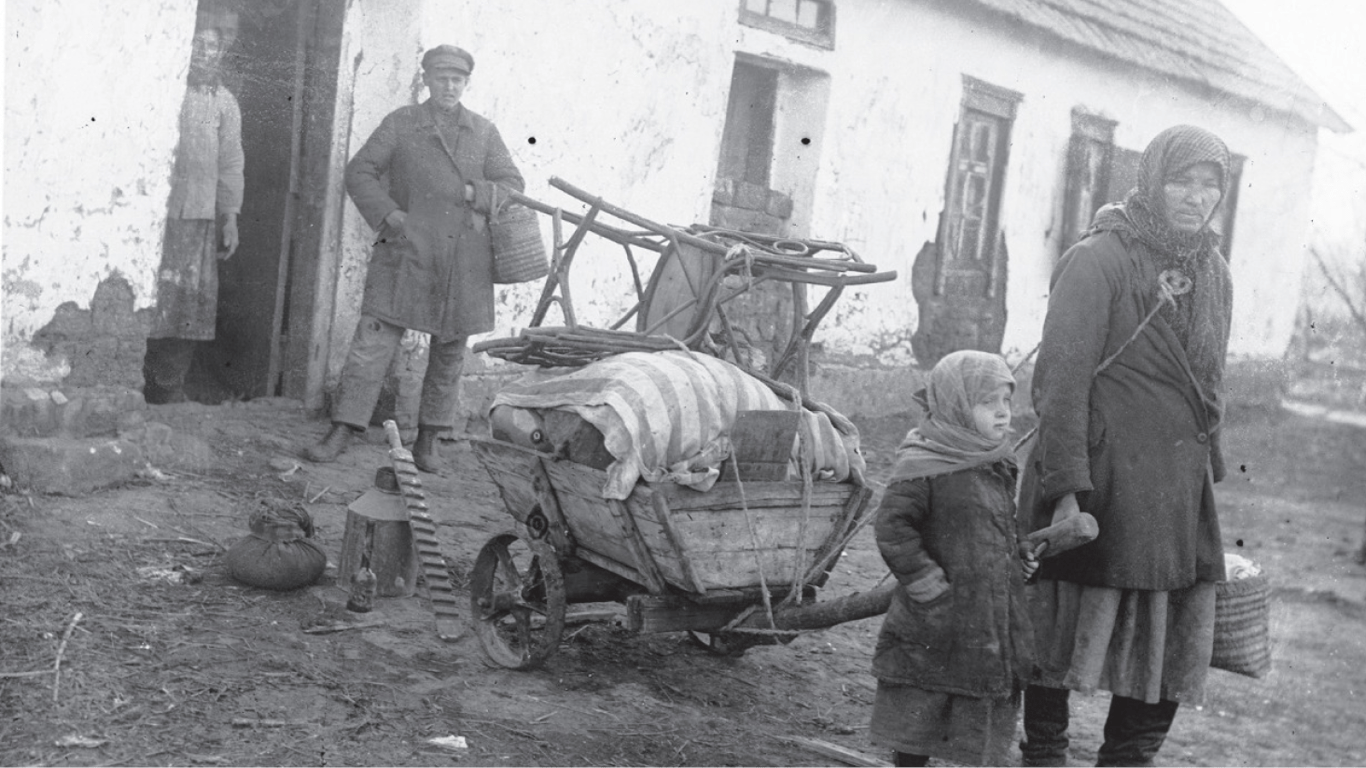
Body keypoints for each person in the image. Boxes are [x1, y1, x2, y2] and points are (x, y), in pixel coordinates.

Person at [1017, 125, 1234, 768]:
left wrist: (1208, 460)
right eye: (1181, 180)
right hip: (1100, 475)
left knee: (1168, 637)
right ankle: (1045, 753)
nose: (1196, 197)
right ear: (1152, 179)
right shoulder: (1099, 257)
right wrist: (1065, 489)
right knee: (1061, 621)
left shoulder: (1214, 271)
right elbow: (1060, 383)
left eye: (1209, 185)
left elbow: (1211, 377)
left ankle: (1128, 759)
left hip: (1173, 486)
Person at [304, 44, 525, 472]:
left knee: (449, 352)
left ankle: (429, 439)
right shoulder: (402, 123)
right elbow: (359, 171)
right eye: (441, 78)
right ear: (427, 81)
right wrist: (390, 214)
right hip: (406, 251)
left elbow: (512, 184)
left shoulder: (483, 132)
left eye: (457, 80)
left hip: (462, 258)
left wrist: (473, 192)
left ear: (466, 83)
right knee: (372, 343)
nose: (449, 87)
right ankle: (343, 429)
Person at [869, 350, 1037, 768]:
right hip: (937, 611)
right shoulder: (924, 461)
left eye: (1007, 401)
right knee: (921, 701)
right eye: (988, 402)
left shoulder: (996, 459)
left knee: (977, 700)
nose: (1003, 412)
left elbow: (999, 520)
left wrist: (1018, 553)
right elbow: (893, 527)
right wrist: (926, 584)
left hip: (987, 611)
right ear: (956, 404)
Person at [144, 27, 243, 404]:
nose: (203, 51)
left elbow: (231, 163)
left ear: (221, 52)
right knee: (156, 298)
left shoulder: (225, 103)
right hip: (158, 219)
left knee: (188, 305)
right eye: (196, 43)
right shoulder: (164, 91)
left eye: (212, 45)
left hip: (200, 218)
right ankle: (142, 383)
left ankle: (167, 387)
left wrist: (230, 217)